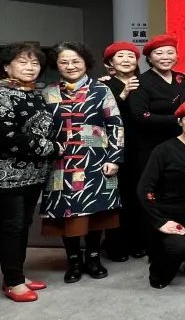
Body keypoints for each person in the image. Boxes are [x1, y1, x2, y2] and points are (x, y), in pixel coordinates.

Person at [0, 42, 62, 302]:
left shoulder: (33, 93)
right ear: (7, 67)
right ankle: (13, 282)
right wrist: (52, 148)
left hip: (34, 173)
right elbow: (6, 137)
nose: (30, 67)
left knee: (23, 224)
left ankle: (16, 275)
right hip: (6, 174)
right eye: (23, 62)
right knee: (12, 226)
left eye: (35, 63)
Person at [41, 42, 124, 284]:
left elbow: (115, 124)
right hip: (61, 162)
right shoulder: (48, 92)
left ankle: (94, 258)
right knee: (67, 213)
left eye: (75, 61)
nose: (70, 66)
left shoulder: (101, 89)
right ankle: (74, 261)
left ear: (86, 63)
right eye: (64, 62)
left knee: (96, 211)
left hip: (96, 160)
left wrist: (115, 157)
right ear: (57, 65)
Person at [137, 99, 185, 289]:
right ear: (180, 121)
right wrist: (160, 222)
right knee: (180, 248)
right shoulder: (163, 150)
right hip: (169, 216)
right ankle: (158, 269)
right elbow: (144, 189)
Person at [102, 41, 146, 262]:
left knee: (139, 195)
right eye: (120, 56)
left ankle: (138, 242)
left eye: (131, 56)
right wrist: (124, 93)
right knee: (117, 198)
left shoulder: (144, 82)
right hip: (114, 148)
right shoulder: (103, 85)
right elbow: (103, 116)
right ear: (110, 62)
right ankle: (116, 246)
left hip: (141, 147)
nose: (126, 60)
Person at [131, 34, 185, 164]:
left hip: (182, 142)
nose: (165, 57)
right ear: (149, 58)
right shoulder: (139, 82)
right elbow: (140, 116)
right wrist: (178, 119)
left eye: (170, 53)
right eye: (159, 53)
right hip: (152, 144)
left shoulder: (184, 79)